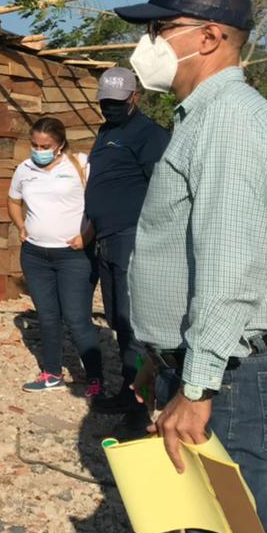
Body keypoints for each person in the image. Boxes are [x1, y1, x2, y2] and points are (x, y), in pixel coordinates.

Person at [119, 0, 267, 533]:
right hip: (220, 369)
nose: (147, 43)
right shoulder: (205, 117)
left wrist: (196, 388)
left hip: (233, 381)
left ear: (208, 38)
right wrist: (162, 359)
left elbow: (229, 270)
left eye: (159, 29)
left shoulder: (228, 121)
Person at [82, 67, 169, 428]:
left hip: (133, 239)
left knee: (135, 325)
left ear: (135, 97)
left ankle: (140, 407)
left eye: (117, 102)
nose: (110, 108)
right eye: (105, 102)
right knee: (118, 320)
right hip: (106, 240)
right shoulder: (106, 132)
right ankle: (128, 389)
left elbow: (163, 190)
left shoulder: (151, 135)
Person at [7, 117, 101, 395]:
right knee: (47, 316)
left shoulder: (80, 165)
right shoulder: (24, 169)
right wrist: (21, 226)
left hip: (73, 256)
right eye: (34, 145)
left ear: (59, 144)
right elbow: (13, 200)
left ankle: (95, 379)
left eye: (45, 146)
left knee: (76, 317)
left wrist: (88, 234)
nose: (39, 150)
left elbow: (100, 202)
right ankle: (52, 373)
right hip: (35, 255)